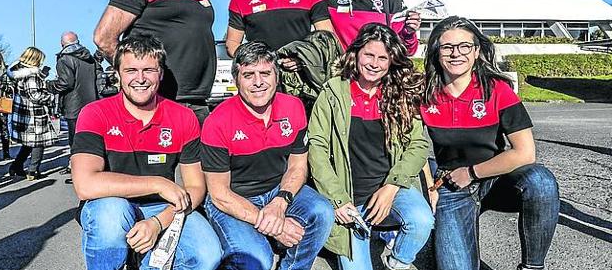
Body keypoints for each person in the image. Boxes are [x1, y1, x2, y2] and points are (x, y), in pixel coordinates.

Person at [71, 35, 221, 270]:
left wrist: (158, 223)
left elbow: (196, 188)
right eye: (131, 70)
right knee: (110, 216)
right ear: (118, 74)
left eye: (149, 70)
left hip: (162, 208)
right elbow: (85, 185)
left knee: (207, 255)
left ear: (160, 73)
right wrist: (158, 183)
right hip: (111, 204)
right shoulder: (94, 113)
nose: (140, 79)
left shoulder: (184, 117)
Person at [421, 16, 560, 270]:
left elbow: (525, 153)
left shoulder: (497, 89)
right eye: (447, 47)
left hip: (496, 178)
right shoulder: (424, 92)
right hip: (452, 185)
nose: (456, 54)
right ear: (436, 53)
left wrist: (472, 172)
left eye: (465, 46)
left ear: (476, 51)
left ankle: (533, 267)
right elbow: (411, 146)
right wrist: (428, 185)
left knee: (541, 181)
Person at [308, 23, 434, 270]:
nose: (374, 64)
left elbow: (418, 144)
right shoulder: (333, 92)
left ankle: (396, 260)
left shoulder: (400, 94)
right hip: (348, 196)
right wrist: (337, 200)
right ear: (355, 54)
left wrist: (391, 186)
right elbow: (318, 147)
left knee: (421, 220)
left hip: (389, 187)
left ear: (391, 61)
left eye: (382, 58)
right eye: (369, 55)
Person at [201, 41, 334, 270]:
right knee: (256, 260)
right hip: (234, 196)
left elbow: (297, 166)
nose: (258, 82)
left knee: (322, 212)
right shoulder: (217, 122)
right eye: (248, 75)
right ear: (236, 80)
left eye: (265, 73)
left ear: (276, 77)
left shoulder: (294, 107)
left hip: (276, 188)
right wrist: (275, 225)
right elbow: (219, 194)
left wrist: (280, 203)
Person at [94, 0, 216, 126]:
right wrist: (136, 78)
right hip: (158, 100)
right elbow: (104, 38)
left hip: (197, 100)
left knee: (199, 159)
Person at [46, 31, 99, 179]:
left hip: (73, 105)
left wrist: (49, 85)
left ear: (62, 44)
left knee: (75, 139)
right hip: (92, 102)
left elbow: (65, 83)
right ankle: (91, 166)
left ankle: (77, 169)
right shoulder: (89, 58)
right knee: (91, 138)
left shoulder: (65, 59)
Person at [7, 47, 56, 180]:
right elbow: (35, 95)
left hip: (22, 112)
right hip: (34, 113)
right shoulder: (32, 74)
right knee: (39, 142)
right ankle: (33, 170)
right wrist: (51, 97)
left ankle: (16, 166)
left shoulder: (17, 72)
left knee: (29, 142)